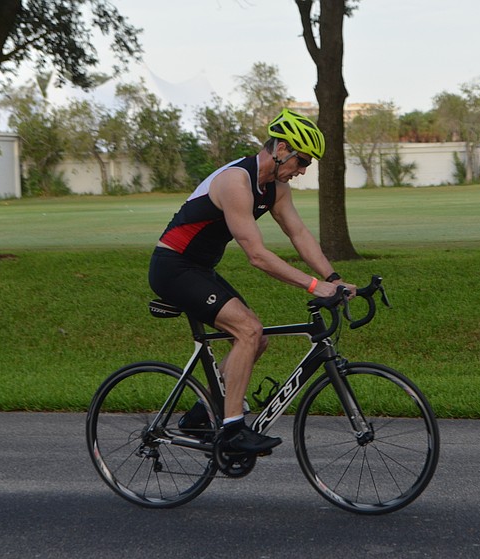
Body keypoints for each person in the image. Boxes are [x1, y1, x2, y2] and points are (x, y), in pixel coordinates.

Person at [149, 108, 355, 455]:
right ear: (282, 149)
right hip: (173, 266)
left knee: (256, 339)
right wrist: (313, 286)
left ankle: (203, 413)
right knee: (248, 330)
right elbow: (257, 255)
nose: (303, 171)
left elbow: (299, 233)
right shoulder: (235, 182)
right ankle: (232, 430)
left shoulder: (274, 187)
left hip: (199, 268)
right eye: (302, 161)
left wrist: (333, 278)